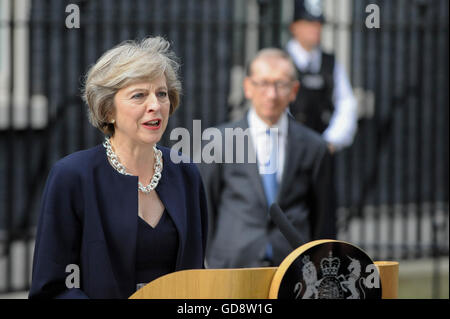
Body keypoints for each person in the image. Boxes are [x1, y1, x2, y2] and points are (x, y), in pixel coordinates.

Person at [29, 37, 208, 299]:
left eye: (161, 94)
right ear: (108, 109)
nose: (155, 105)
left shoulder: (185, 173)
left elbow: (196, 274)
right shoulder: (73, 177)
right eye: (139, 95)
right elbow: (52, 289)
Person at [199, 48, 336, 268]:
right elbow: (205, 207)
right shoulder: (219, 142)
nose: (271, 94)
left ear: (294, 90)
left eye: (280, 84)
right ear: (248, 87)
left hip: (294, 267)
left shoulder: (315, 147)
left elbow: (324, 219)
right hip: (232, 265)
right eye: (263, 83)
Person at [287, 0, 358, 153]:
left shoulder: (329, 62)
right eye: (309, 23)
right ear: (294, 27)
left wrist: (331, 140)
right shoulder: (282, 60)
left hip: (321, 147)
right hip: (288, 148)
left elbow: (346, 102)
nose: (316, 28)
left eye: (319, 23)